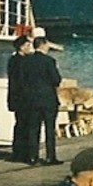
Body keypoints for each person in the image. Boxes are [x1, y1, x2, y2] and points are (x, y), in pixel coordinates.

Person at [6, 33, 42, 164]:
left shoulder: (12, 61)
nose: (29, 48)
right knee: (29, 126)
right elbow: (23, 81)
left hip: (16, 98)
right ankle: (29, 154)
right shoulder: (23, 62)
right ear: (21, 47)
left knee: (20, 125)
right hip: (25, 98)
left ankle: (18, 153)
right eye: (27, 45)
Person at [34, 31, 64, 165]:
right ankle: (50, 156)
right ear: (43, 45)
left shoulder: (28, 60)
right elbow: (56, 80)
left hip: (33, 100)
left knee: (34, 128)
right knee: (49, 129)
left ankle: (33, 156)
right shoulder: (49, 61)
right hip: (48, 99)